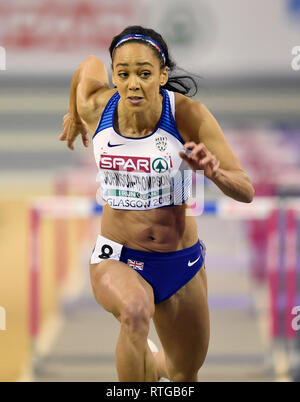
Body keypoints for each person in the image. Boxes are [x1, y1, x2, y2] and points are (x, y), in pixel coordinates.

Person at [59, 25, 254, 382]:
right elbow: (86, 66)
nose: (133, 84)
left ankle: (151, 359)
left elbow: (246, 189)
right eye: (124, 74)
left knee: (182, 373)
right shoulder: (96, 107)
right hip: (118, 256)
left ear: (163, 75)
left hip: (181, 262)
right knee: (135, 312)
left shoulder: (187, 115)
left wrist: (214, 173)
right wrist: (74, 113)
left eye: (145, 74)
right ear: (114, 75)